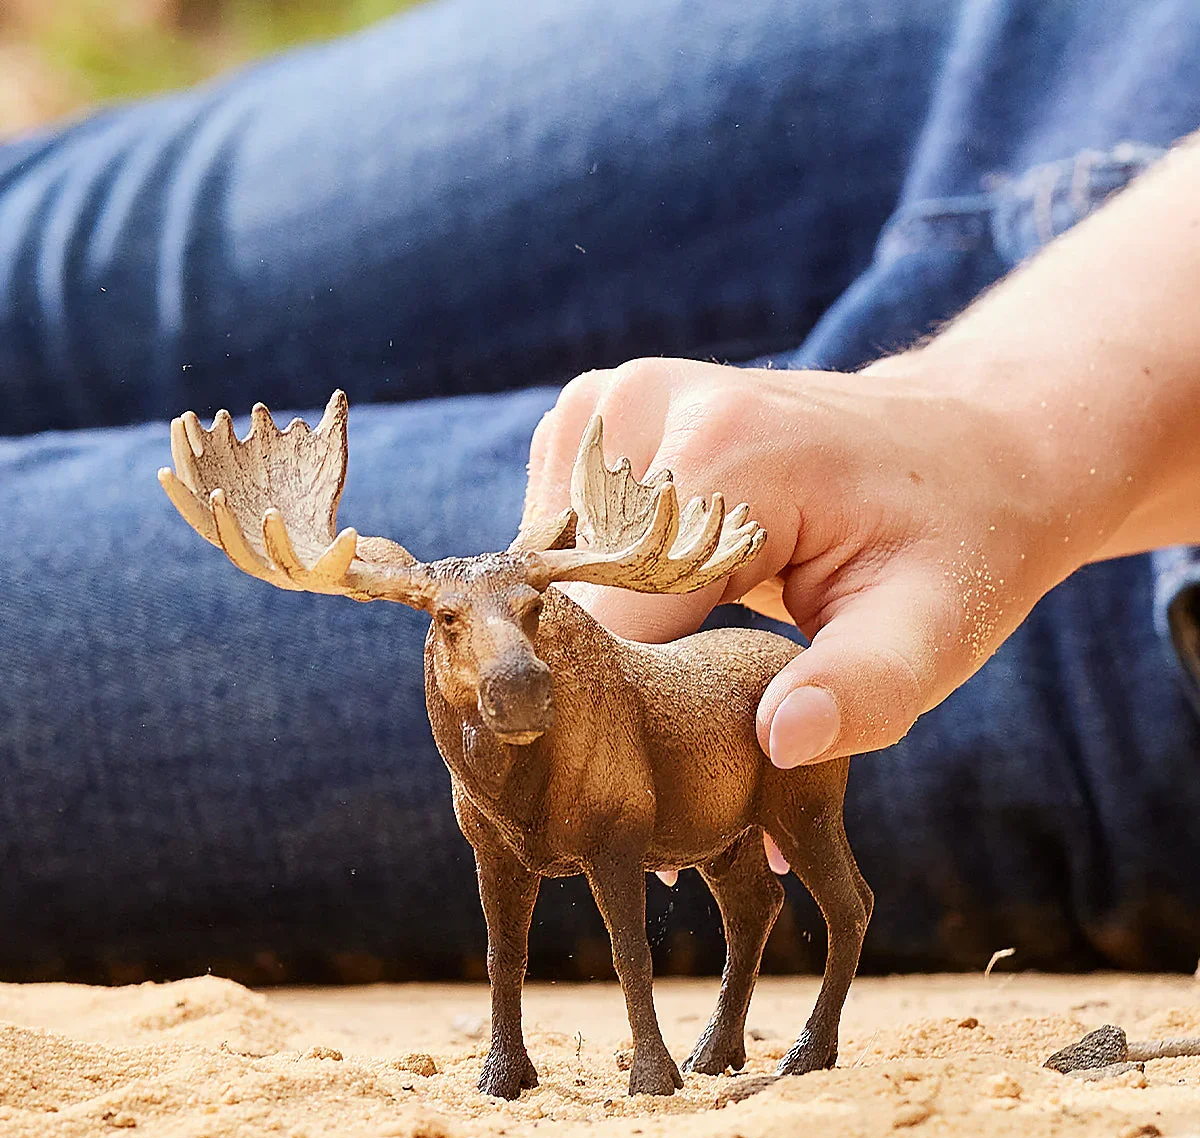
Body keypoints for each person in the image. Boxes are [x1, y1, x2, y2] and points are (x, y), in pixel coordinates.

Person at [1, 0, 1198, 985]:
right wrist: (1002, 417)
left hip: (1115, 612)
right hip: (1086, 42)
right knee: (52, 257)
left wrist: (1012, 432)